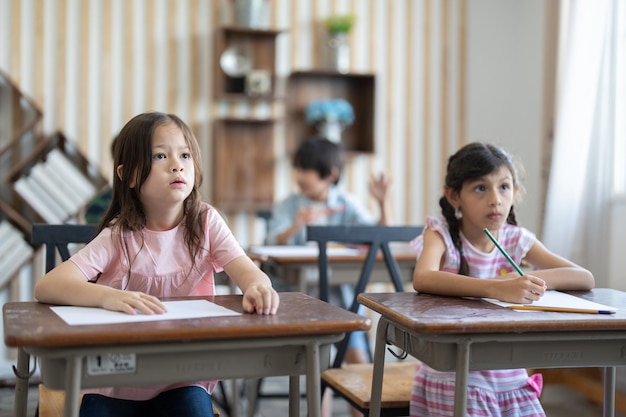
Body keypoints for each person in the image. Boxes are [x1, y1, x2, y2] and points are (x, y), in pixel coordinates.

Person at [34, 112, 280, 417]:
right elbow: (47, 286)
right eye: (160, 155)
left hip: (183, 376)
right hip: (114, 379)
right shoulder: (118, 236)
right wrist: (108, 297)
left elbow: (247, 272)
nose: (177, 164)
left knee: (193, 407)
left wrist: (259, 286)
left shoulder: (206, 223)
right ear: (130, 175)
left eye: (185, 154)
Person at [410, 142, 595, 417]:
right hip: (453, 370)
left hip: (509, 373)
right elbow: (423, 278)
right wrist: (498, 288)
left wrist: (524, 279)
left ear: (515, 192)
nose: (495, 199)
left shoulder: (515, 238)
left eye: (504, 187)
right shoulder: (441, 235)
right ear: (454, 196)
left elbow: (584, 277)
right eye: (481, 188)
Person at [264, 136, 392, 417]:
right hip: (298, 297)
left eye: (306, 169)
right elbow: (271, 242)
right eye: (297, 168)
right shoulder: (290, 205)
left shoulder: (346, 203)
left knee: (357, 357)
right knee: (317, 360)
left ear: (330, 174)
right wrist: (297, 224)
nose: (299, 175)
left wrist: (383, 204)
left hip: (339, 295)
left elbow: (378, 236)